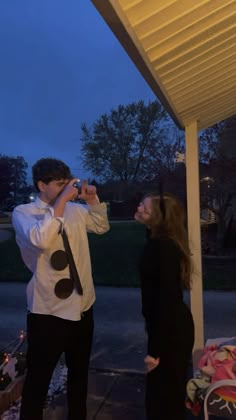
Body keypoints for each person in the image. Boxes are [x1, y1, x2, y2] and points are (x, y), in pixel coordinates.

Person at [12, 157, 110, 420]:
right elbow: (41, 240)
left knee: (79, 377)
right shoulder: (24, 213)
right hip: (48, 312)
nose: (67, 188)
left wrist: (91, 201)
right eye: (59, 184)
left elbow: (101, 227)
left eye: (68, 183)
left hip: (82, 307)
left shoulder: (75, 210)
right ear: (41, 185)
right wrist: (62, 203)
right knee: (38, 382)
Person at [134, 192, 195, 420]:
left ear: (158, 219)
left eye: (145, 209)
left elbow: (165, 302)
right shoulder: (157, 241)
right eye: (142, 204)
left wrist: (154, 351)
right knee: (165, 395)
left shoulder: (162, 248)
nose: (139, 208)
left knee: (164, 401)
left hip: (170, 332)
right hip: (168, 328)